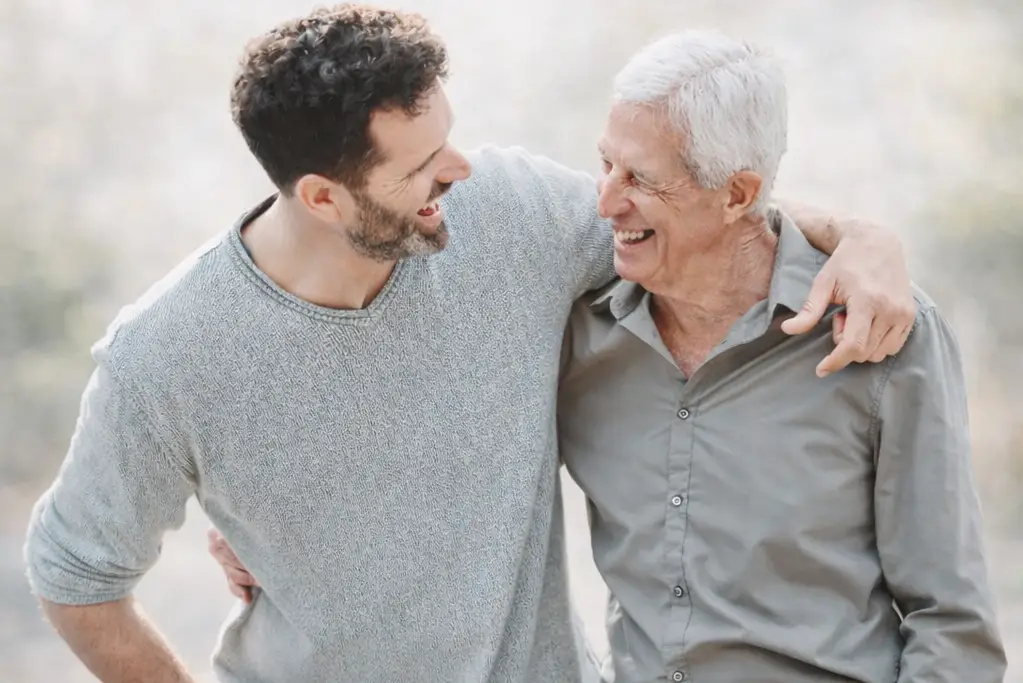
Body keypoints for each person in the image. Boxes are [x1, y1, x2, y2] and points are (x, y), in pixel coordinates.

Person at [25, 6, 914, 683]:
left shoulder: (508, 215)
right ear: (324, 198)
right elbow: (75, 575)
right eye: (420, 167)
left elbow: (689, 213)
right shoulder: (167, 356)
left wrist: (858, 236)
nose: (457, 170)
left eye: (445, 140)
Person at [558, 31, 1005, 683]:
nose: (604, 202)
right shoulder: (580, 325)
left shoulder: (879, 332)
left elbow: (952, 629)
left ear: (738, 194)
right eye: (605, 163)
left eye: (641, 179)